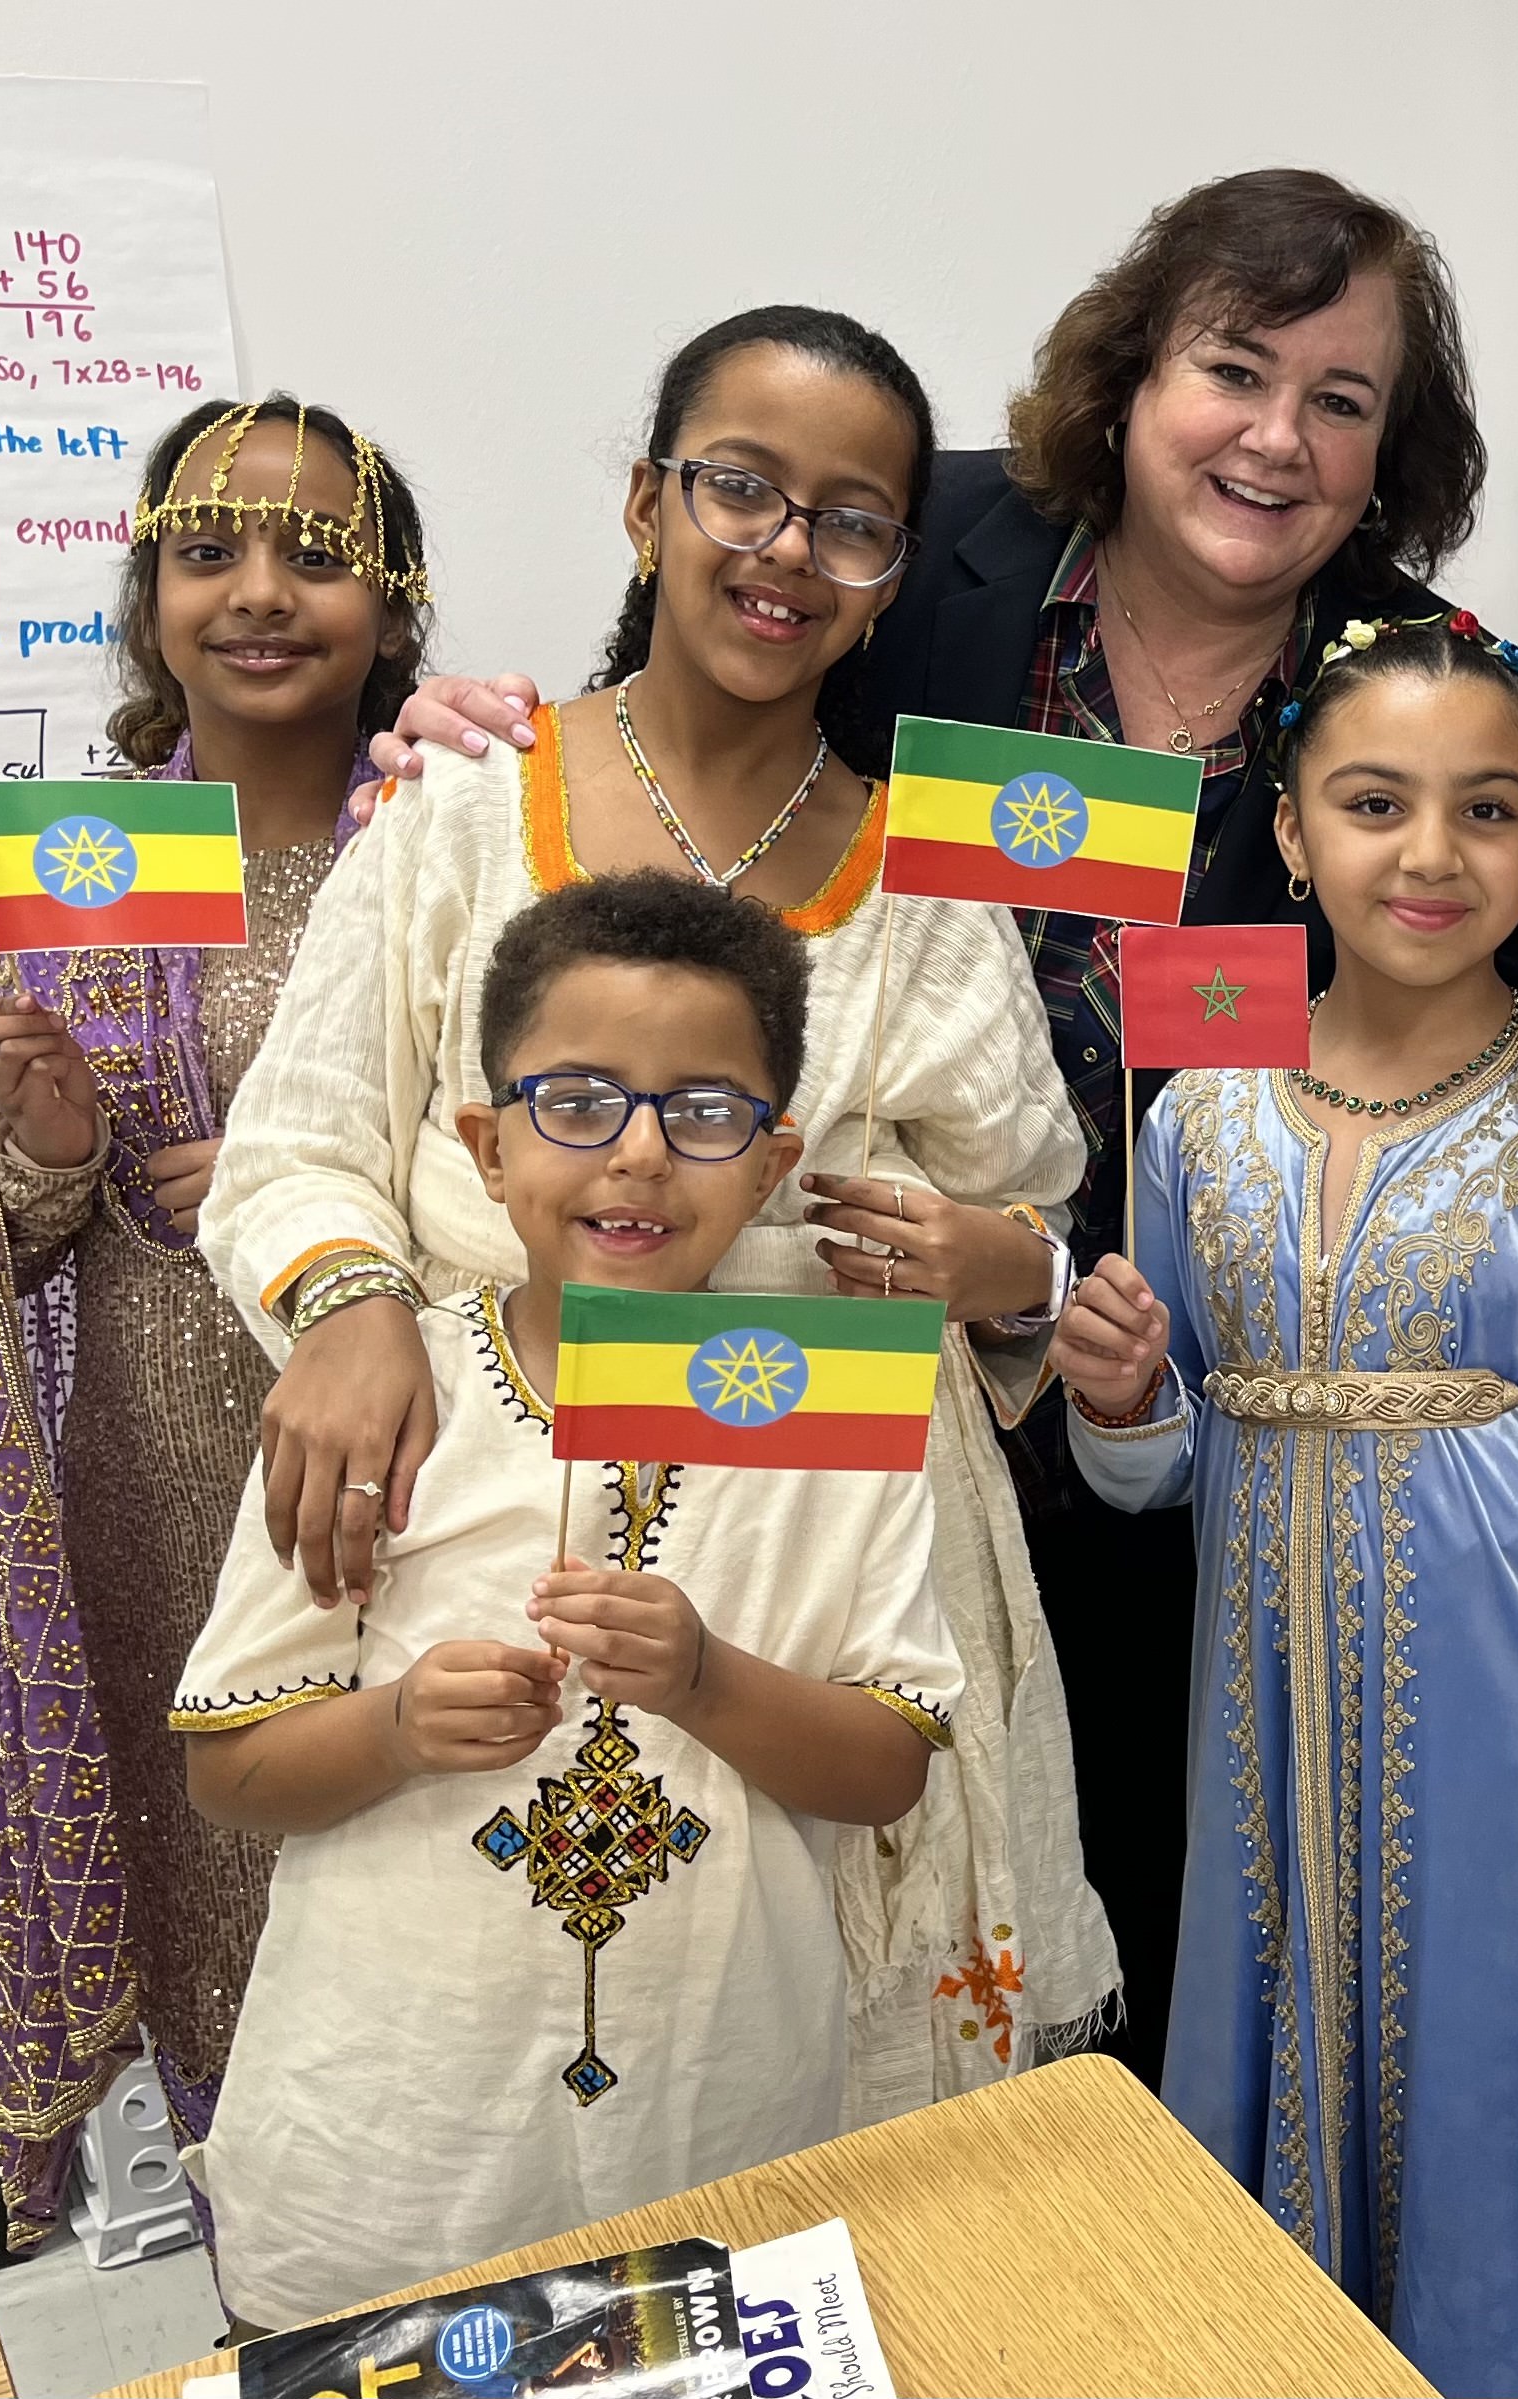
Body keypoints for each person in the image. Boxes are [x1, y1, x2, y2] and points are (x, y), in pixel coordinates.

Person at [371, 170, 1518, 2086]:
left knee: (1152, 1910)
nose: (1276, 435)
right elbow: (671, 724)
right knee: (823, 1901)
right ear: (1134, 367)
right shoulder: (929, 539)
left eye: (1343, 400)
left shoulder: (1411, 652)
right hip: (849, 1366)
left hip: (1207, 1395)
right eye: (1233, 367)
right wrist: (458, 726)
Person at [198, 306, 1115, 2122]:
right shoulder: (461, 812)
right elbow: (300, 1139)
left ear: (886, 581)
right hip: (499, 1485)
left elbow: (1021, 1204)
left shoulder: (926, 873)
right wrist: (356, 1301)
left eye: (851, 521)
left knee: (856, 2070)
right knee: (537, 2034)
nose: (787, 548)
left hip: (837, 1508)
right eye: (741, 490)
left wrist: (1008, 1268)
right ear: (647, 504)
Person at [1047, 614, 1518, 2398]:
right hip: (1256, 1711)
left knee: (1512, 2102)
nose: (1431, 855)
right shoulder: (1200, 1115)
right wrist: (1120, 1400)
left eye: (1489, 810)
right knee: (1270, 2056)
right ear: (1288, 831)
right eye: (1374, 801)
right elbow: (1168, 1452)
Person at [176, 873, 955, 2329]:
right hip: (396, 2152)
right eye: (577, 1100)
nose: (642, 1154)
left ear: (775, 1153)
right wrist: (399, 1727)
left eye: (706, 1109)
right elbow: (230, 1761)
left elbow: (890, 1765)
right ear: (483, 1140)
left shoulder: (829, 1417)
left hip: (716, 2121)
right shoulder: (380, 1400)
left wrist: (709, 1680)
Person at [0, 395, 429, 2246]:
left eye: (317, 554)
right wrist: (53, 1149)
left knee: (435, 1865)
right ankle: (277, 2285)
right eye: (211, 552)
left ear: (398, 595)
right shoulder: (79, 860)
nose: (262, 594)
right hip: (163, 1467)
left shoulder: (448, 832)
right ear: (151, 594)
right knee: (229, 1900)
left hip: (417, 1448)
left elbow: (568, 1128)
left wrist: (342, 1191)